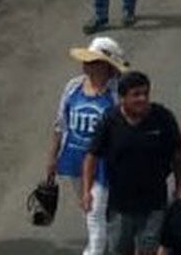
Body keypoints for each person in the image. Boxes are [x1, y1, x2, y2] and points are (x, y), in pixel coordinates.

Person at [84, 70, 181, 255]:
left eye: (146, 93)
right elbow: (91, 156)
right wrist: (87, 191)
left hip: (154, 204)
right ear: (122, 98)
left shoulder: (163, 117)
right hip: (120, 206)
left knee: (149, 251)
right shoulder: (109, 120)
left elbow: (179, 154)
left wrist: (180, 187)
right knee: (120, 251)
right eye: (136, 94)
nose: (142, 99)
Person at [49, 36, 125, 255]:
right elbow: (60, 124)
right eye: (87, 60)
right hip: (74, 159)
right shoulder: (73, 87)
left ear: (107, 66)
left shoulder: (117, 93)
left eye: (93, 61)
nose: (86, 64)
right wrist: (52, 158)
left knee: (93, 212)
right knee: (90, 212)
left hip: (102, 164)